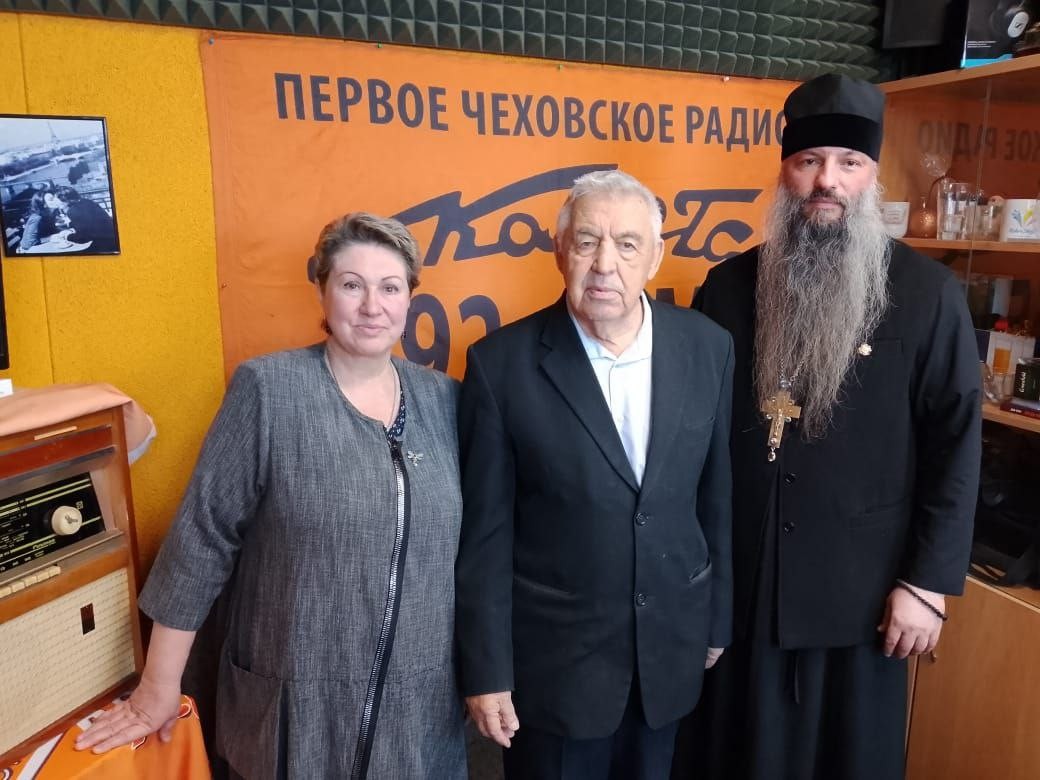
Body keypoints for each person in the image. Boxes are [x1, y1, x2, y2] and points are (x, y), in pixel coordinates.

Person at [76, 212, 467, 779]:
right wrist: (157, 687)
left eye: (390, 287)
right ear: (322, 291)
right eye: (351, 285)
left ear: (410, 296)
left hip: (417, 718)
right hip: (294, 710)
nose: (371, 306)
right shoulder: (270, 389)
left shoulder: (446, 402)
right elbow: (201, 540)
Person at [673, 74, 981, 780]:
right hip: (743, 595)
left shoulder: (928, 295)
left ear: (872, 176)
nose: (827, 182)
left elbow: (957, 444)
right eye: (809, 161)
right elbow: (690, 444)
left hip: (864, 600)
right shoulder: (726, 287)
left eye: (848, 162)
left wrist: (927, 585)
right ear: (785, 171)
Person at [455, 169, 734, 780]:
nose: (605, 264)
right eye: (587, 242)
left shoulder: (709, 347)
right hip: (555, 671)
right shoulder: (500, 365)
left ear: (655, 257)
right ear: (561, 251)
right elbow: (485, 538)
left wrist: (716, 619)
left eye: (627, 244)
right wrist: (487, 670)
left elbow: (715, 497)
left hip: (670, 654)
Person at [44, 185, 117, 252]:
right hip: (112, 237)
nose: (55, 202)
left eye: (56, 199)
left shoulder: (73, 211)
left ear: (64, 199)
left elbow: (83, 238)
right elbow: (87, 224)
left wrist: (67, 236)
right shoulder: (86, 202)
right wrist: (71, 230)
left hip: (105, 244)